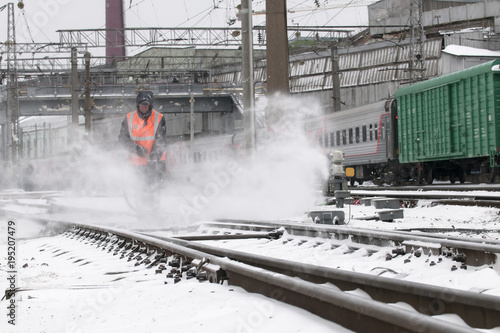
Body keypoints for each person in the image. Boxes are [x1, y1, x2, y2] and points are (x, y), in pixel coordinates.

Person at [118, 90, 167, 210]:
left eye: (146, 105)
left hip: (156, 162)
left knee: (154, 189)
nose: (144, 107)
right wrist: (136, 149)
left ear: (151, 105)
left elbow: (160, 140)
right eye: (142, 105)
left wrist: (155, 155)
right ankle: (142, 215)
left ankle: (154, 214)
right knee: (140, 190)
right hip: (136, 163)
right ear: (137, 105)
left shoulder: (159, 118)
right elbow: (122, 138)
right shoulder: (129, 118)